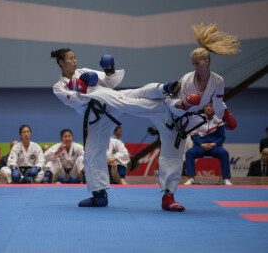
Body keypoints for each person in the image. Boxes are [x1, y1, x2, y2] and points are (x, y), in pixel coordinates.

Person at [51, 48, 199, 209]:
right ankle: (99, 195)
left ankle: (166, 92)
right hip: (95, 115)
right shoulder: (59, 87)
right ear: (61, 62)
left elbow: (109, 83)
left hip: (109, 101)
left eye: (75, 57)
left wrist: (109, 71)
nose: (75, 61)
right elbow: (78, 100)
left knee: (135, 97)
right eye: (71, 58)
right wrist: (80, 85)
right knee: (91, 154)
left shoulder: (83, 71)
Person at [162, 23, 239, 209]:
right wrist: (186, 104)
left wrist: (226, 116)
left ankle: (169, 196)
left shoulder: (218, 81)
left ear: (207, 62)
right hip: (174, 114)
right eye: (193, 63)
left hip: (189, 120)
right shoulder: (187, 80)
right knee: (173, 153)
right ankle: (170, 194)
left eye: (198, 63)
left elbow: (218, 105)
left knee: (175, 155)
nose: (195, 66)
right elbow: (174, 105)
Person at [183, 102, 233, 185]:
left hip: (214, 147)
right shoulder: (197, 119)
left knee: (224, 153)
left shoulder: (219, 120)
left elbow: (222, 137)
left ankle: (226, 179)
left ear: (214, 108)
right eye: (207, 106)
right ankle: (191, 178)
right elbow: (193, 136)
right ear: (204, 108)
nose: (209, 108)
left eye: (211, 106)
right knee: (189, 152)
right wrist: (201, 144)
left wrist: (214, 144)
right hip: (200, 147)